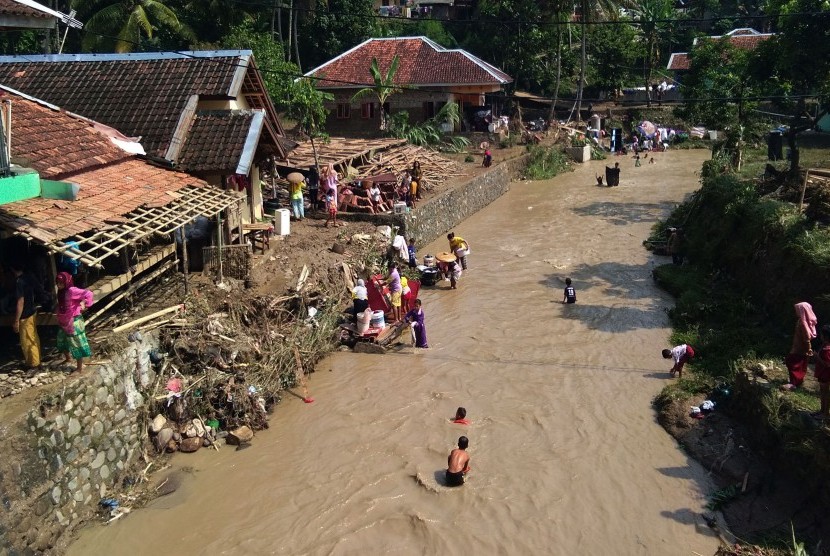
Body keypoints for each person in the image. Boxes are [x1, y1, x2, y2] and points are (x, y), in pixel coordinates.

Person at [55, 272, 94, 374]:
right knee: (61, 340)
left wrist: (85, 303)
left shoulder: (72, 291)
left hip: (74, 321)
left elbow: (89, 293)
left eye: (61, 283)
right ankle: (68, 358)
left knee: (76, 343)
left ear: (66, 282)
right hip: (64, 320)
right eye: (57, 283)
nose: (59, 285)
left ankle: (79, 368)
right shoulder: (61, 292)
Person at [11, 262, 41, 369]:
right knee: (33, 337)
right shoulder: (28, 277)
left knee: (27, 340)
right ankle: (34, 361)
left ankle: (34, 365)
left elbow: (20, 302)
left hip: (25, 314)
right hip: (32, 311)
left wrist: (16, 320)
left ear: (13, 270)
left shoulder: (19, 282)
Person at [783, 301, 817, 391]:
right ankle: (797, 380)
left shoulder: (803, 323)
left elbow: (806, 338)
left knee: (792, 362)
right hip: (798, 347)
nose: (796, 311)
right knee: (797, 364)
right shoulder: (801, 321)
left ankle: (794, 383)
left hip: (800, 348)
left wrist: (808, 348)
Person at [813, 325, 830, 419]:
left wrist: (816, 357)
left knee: (826, 393)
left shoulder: (827, 349)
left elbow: (827, 364)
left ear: (826, 336)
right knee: (823, 392)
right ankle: (822, 410)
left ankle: (825, 413)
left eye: (822, 335)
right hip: (822, 374)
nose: (820, 336)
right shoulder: (824, 346)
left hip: (826, 374)